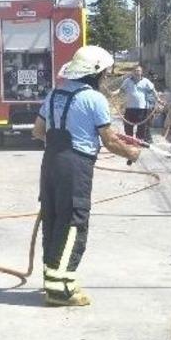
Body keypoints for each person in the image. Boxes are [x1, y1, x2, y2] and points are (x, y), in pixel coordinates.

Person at [32, 45, 140, 307]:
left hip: (50, 164)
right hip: (75, 166)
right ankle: (60, 292)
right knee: (72, 223)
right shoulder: (95, 100)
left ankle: (53, 280)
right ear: (95, 73)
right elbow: (110, 141)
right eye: (104, 73)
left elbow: (38, 131)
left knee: (54, 219)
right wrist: (131, 152)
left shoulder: (55, 93)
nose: (105, 77)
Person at [112, 65, 159, 143]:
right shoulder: (127, 81)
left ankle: (139, 141)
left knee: (141, 127)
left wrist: (158, 99)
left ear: (141, 72)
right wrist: (114, 93)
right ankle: (129, 141)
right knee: (128, 127)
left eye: (139, 71)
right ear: (132, 72)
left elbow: (153, 90)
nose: (137, 72)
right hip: (130, 108)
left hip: (142, 109)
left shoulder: (146, 81)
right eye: (135, 71)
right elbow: (120, 90)